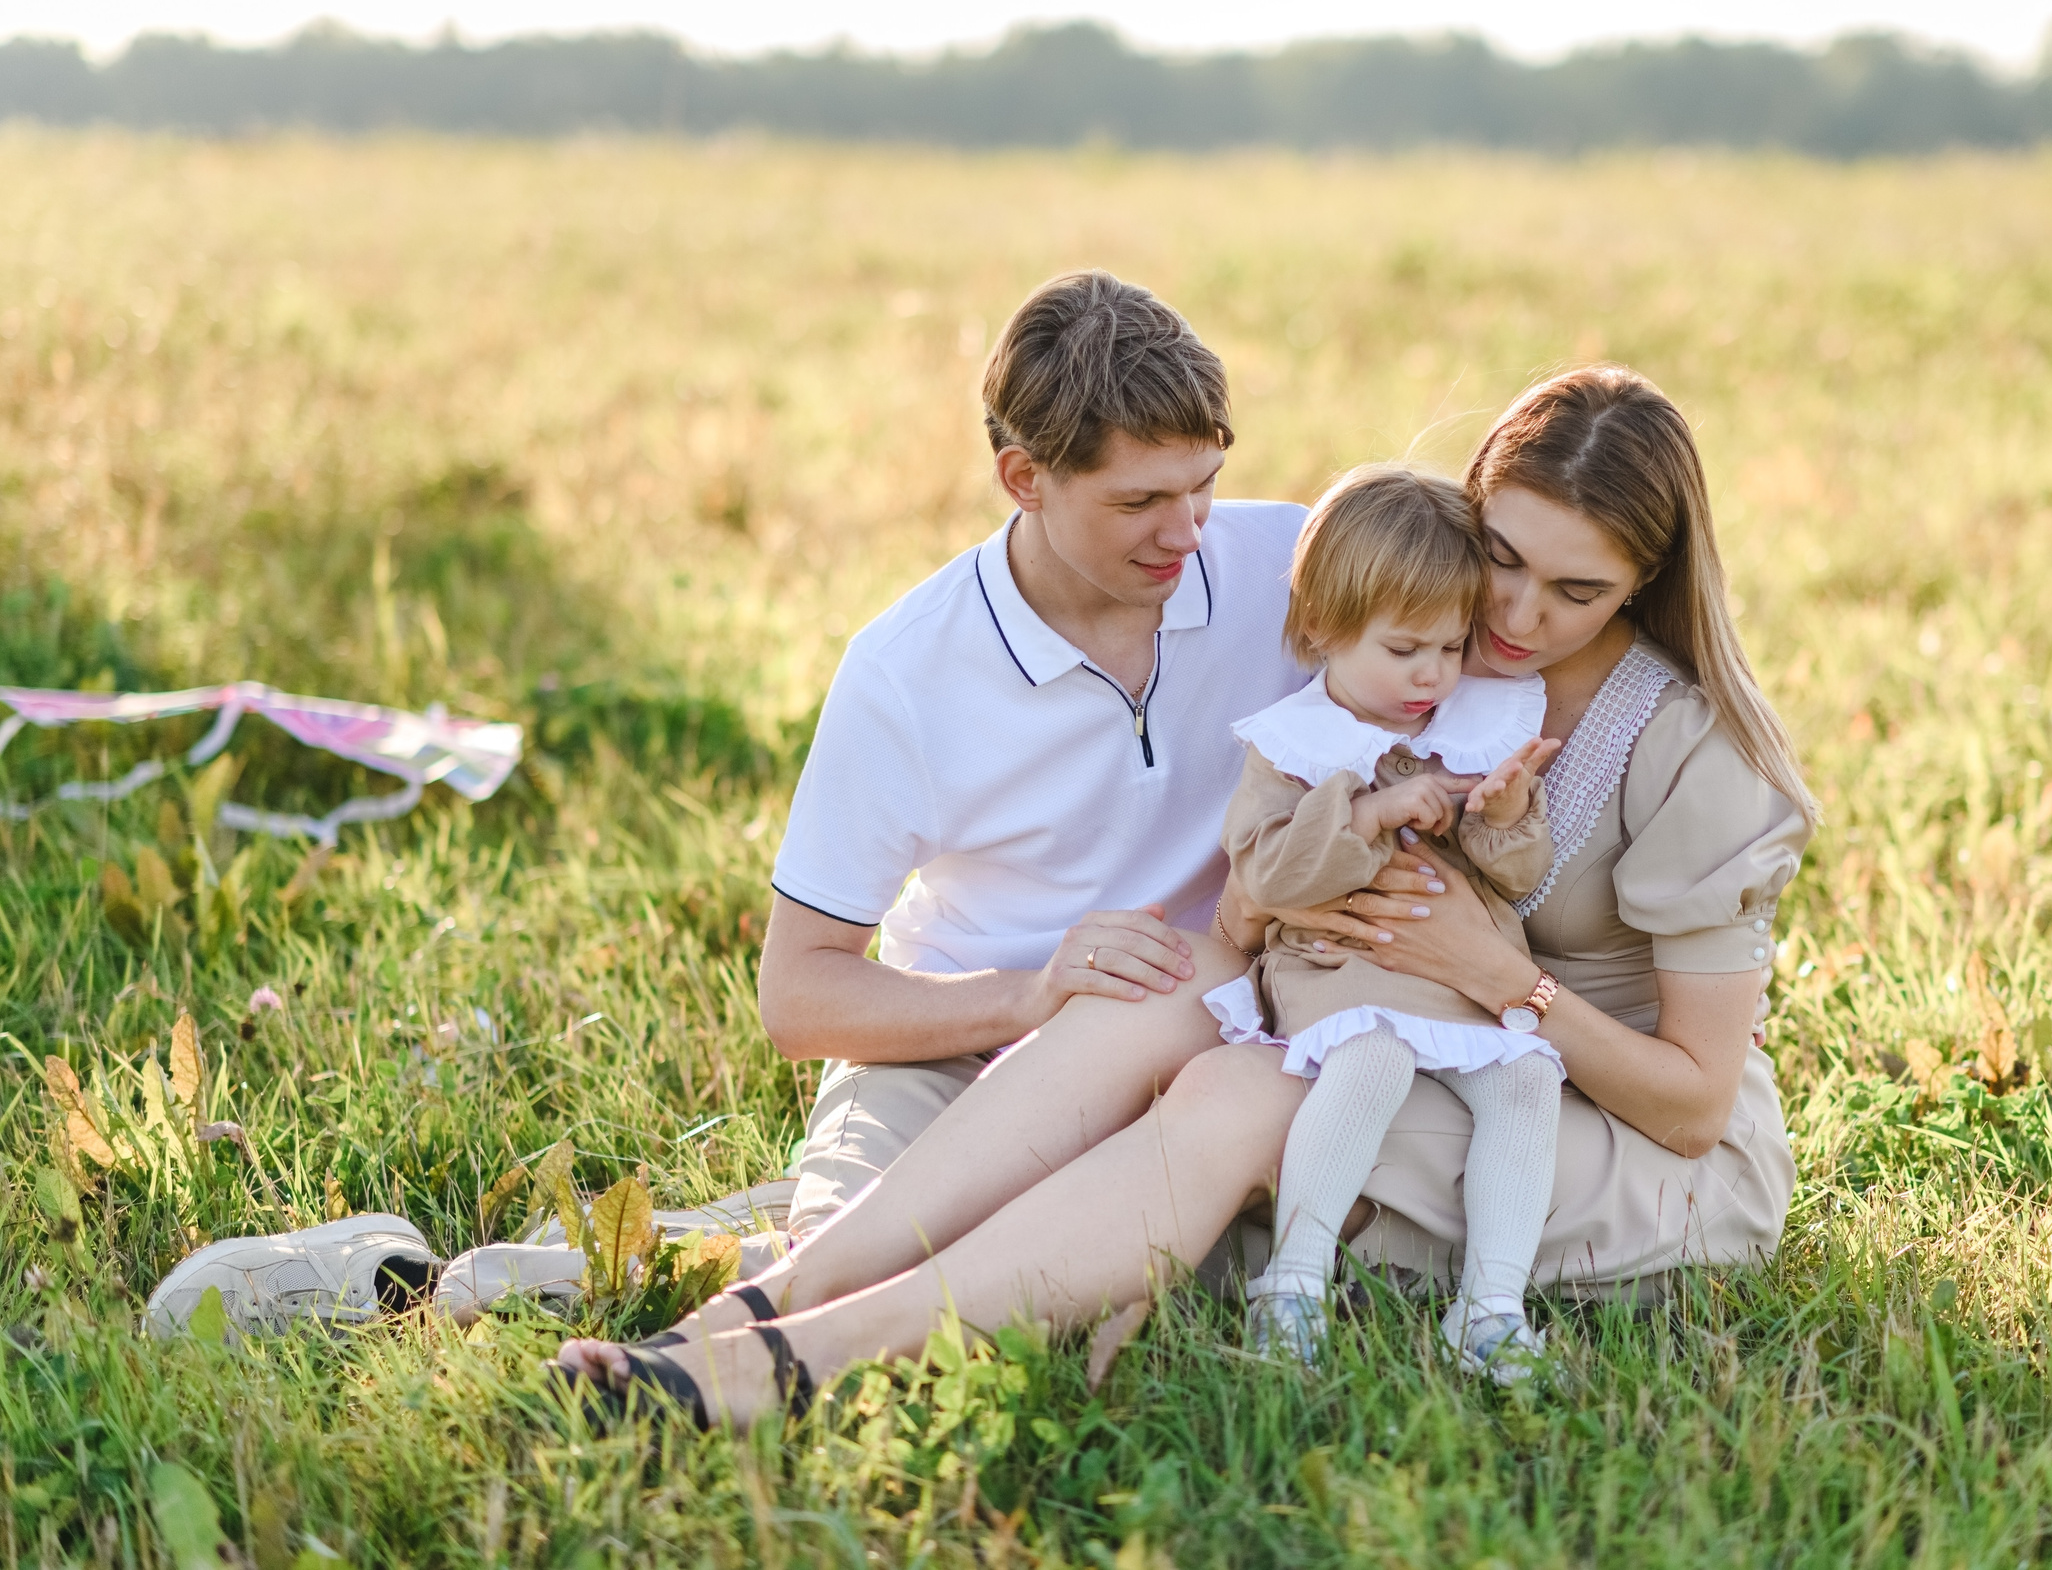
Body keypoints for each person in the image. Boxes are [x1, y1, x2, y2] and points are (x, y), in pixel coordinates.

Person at [555, 363, 1816, 1431]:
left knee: (1233, 1093)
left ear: (1642, 585)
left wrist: (1503, 980)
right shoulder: (1425, 654)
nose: (1517, 614)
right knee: (1163, 978)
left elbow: (1696, 1108)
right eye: (1498, 558)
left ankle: (790, 1365)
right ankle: (757, 1305)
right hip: (1406, 1034)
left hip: (1601, 1133)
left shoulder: (1694, 751)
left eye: (1577, 592)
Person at [147, 266, 1313, 1338]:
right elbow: (800, 994)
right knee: (873, 1275)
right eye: (1140, 502)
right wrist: (1030, 989)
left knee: (1142, 1271)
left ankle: (762, 1228)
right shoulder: (908, 669)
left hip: (1196, 1048)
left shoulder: (1286, 573)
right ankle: (440, 1282)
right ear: (1025, 478)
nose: (1187, 532)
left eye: (1204, 487)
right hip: (958, 1046)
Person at [1213, 465, 1562, 1379]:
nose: (1432, 675)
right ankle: (1294, 1281)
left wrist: (1504, 813)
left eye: (1451, 648)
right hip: (1345, 968)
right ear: (1323, 630)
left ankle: (1489, 1307)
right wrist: (1367, 813)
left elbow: (1520, 878)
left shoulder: (1467, 725)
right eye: (1406, 647)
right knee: (1373, 1055)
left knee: (1528, 1080)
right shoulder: (1296, 744)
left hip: (1458, 972)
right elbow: (1269, 875)